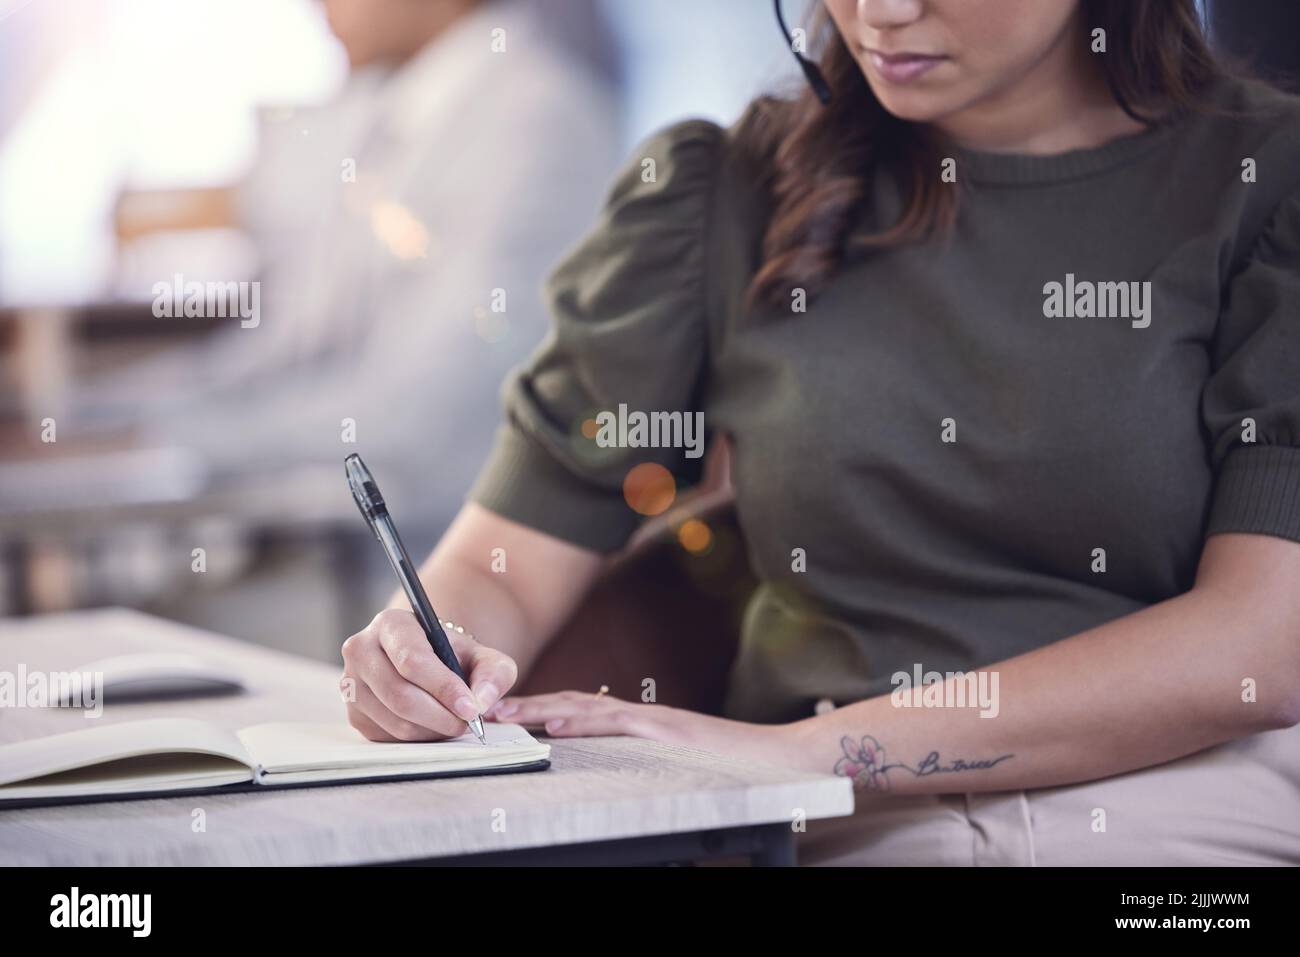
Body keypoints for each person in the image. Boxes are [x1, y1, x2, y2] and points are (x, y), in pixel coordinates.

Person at [338, 0, 1300, 865]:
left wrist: (796, 750)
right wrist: (425, 652)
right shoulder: (719, 194)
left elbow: (1264, 643)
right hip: (833, 823)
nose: (879, 12)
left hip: (1186, 808)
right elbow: (506, 560)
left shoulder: (1267, 183)